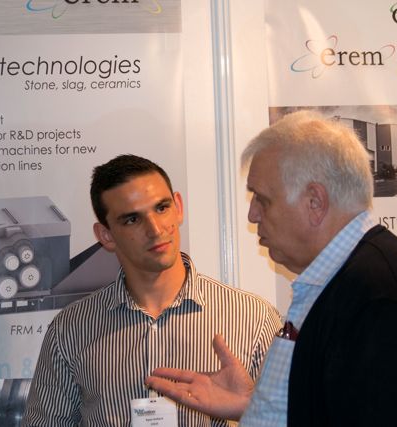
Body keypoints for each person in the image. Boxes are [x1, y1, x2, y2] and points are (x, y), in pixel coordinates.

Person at [146, 111, 397, 426]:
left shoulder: (379, 296)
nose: (252, 215)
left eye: (262, 200)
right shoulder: (341, 282)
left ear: (315, 202)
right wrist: (257, 404)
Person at [22, 154, 282, 426]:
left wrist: (250, 407)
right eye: (132, 220)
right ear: (106, 235)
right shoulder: (71, 330)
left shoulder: (254, 319)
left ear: (178, 207)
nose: (156, 230)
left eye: (161, 208)